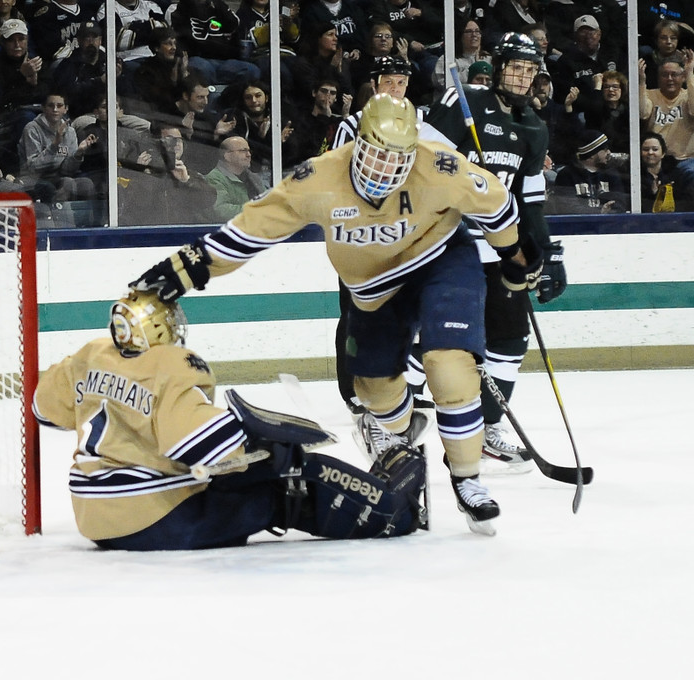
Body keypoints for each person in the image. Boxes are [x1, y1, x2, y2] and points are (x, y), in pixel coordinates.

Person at [129, 94, 542, 535]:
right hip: (372, 288)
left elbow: (496, 206)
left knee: (450, 364)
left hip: (441, 260)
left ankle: (467, 479)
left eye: (396, 159)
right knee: (374, 389)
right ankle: (400, 431)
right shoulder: (318, 178)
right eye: (375, 155)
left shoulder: (440, 166)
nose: (383, 170)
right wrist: (183, 270)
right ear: (356, 143)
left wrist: (516, 254)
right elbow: (249, 232)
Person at [32, 288, 428, 549]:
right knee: (281, 491)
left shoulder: (90, 355)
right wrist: (272, 449)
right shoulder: (170, 363)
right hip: (153, 518)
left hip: (93, 515)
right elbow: (196, 445)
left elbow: (44, 410)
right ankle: (392, 511)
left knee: (256, 474)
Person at [420, 32, 562, 471]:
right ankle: (390, 420)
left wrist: (548, 253)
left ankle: (487, 425)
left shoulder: (534, 127)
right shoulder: (464, 102)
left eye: (530, 70)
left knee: (509, 340)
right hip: (448, 242)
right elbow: (422, 160)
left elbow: (530, 201)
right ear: (498, 67)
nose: (521, 77)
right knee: (435, 336)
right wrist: (466, 176)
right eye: (515, 67)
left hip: (502, 250)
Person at [17, 91, 98, 203]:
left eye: (59, 106)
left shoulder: (70, 131)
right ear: (44, 108)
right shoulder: (32, 129)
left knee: (86, 183)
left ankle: (91, 220)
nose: (55, 109)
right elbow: (33, 167)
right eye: (51, 106)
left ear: (66, 109)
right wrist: (54, 144)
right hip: (34, 179)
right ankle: (59, 216)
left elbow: (67, 170)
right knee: (66, 183)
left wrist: (78, 153)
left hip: (58, 177)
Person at [638, 53, 694, 184]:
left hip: (685, 160)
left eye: (674, 75)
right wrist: (641, 82)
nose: (669, 79)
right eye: (665, 75)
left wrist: (690, 74)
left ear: (682, 77)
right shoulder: (650, 94)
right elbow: (642, 113)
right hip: (656, 161)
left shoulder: (688, 96)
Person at [549, 129, 628, 214]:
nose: (609, 152)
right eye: (604, 149)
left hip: (608, 225)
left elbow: (620, 204)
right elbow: (566, 208)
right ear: (591, 155)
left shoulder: (611, 174)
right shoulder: (566, 175)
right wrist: (600, 212)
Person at [203, 135, 265, 220]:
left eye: (249, 151)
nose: (249, 155)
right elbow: (220, 210)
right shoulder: (214, 178)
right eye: (243, 151)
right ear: (227, 156)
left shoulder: (253, 177)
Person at [638, 130, 693, 212]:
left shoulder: (677, 175)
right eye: (646, 149)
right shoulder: (634, 176)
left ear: (663, 153)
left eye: (655, 149)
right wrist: (652, 194)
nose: (650, 152)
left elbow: (687, 203)